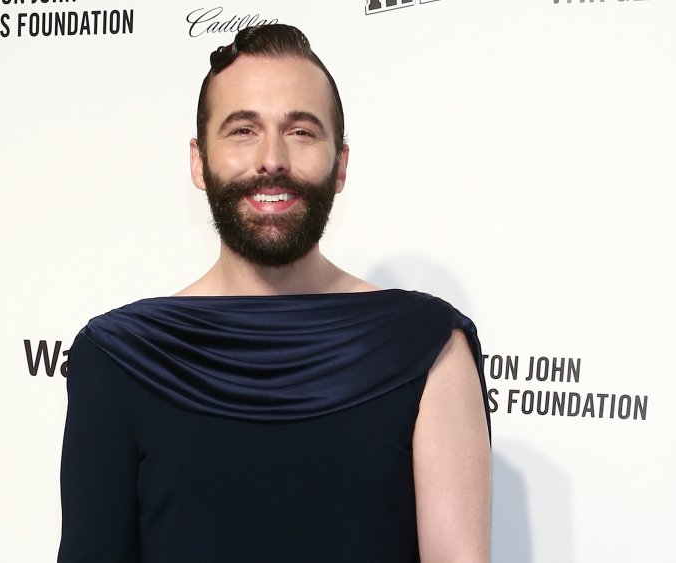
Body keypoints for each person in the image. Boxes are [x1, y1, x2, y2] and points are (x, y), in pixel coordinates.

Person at [58, 24, 491, 563]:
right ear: (199, 161)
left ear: (341, 165)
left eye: (301, 132)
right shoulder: (118, 355)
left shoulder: (427, 348)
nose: (272, 158)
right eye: (242, 130)